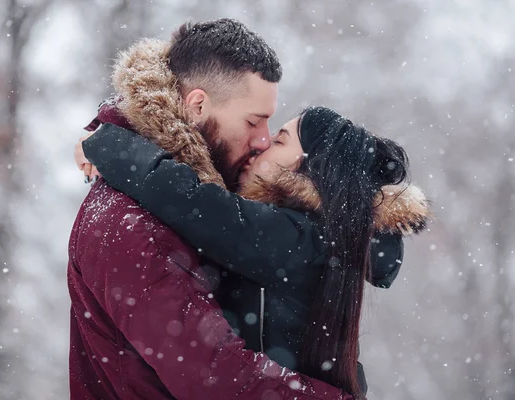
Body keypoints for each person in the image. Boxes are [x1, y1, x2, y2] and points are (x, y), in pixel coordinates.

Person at [68, 18, 363, 400]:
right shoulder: (128, 223)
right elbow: (220, 380)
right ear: (197, 105)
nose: (262, 141)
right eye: (253, 122)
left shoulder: (197, 196)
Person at [78, 106, 430, 398]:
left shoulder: (297, 237)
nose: (262, 144)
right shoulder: (329, 237)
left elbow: (194, 202)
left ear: (310, 170)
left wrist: (107, 143)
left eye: (279, 140)